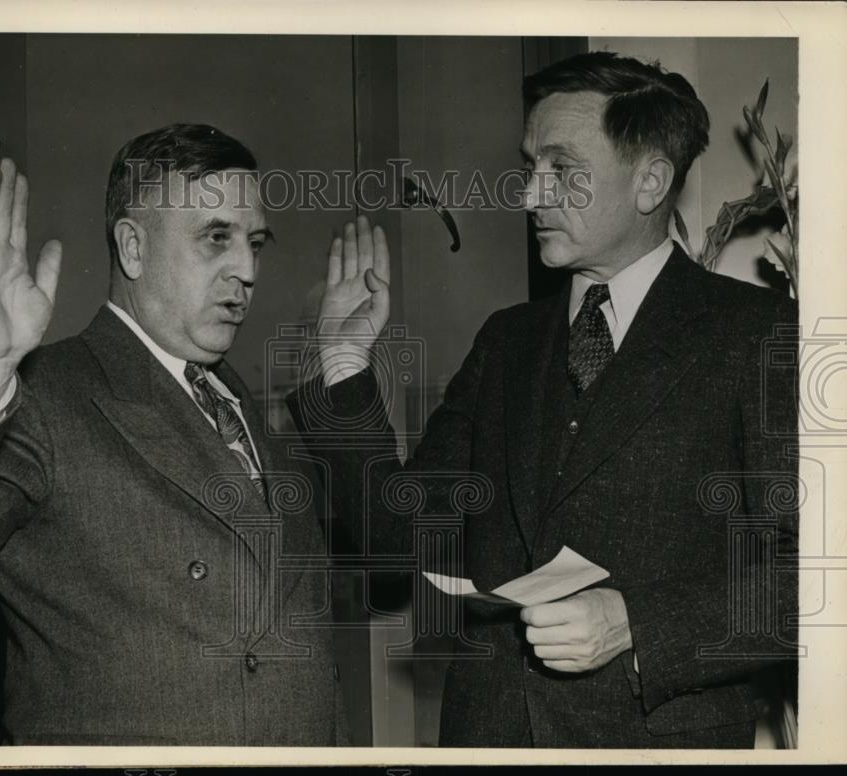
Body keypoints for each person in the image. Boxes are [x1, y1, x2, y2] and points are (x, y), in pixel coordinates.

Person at [287, 52, 799, 748]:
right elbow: (392, 539)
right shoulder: (506, 341)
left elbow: (814, 580)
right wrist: (345, 367)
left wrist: (637, 623)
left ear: (650, 180)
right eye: (531, 166)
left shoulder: (755, 333)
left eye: (561, 169)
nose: (529, 195)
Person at [0, 124, 346, 745]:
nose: (247, 269)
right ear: (133, 248)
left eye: (254, 241)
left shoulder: (243, 410)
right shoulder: (45, 397)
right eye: (216, 238)